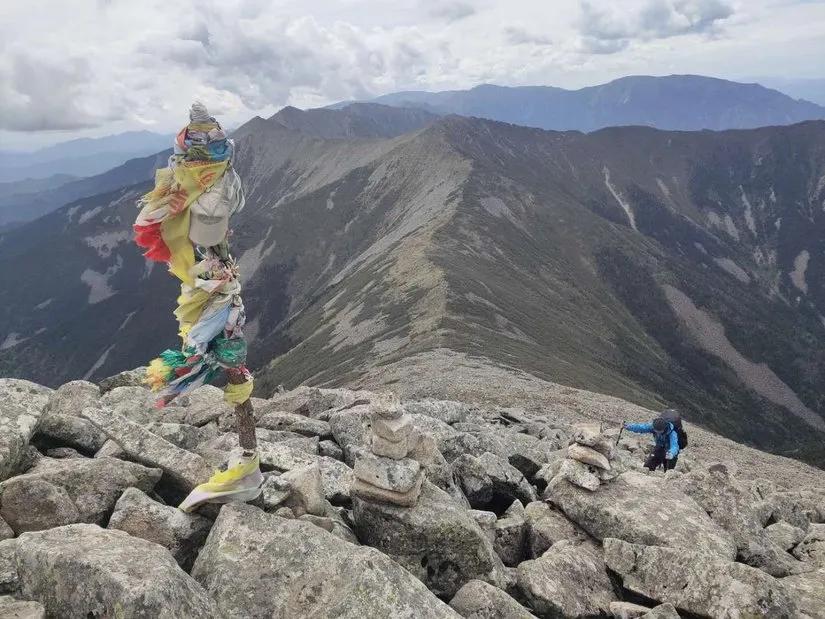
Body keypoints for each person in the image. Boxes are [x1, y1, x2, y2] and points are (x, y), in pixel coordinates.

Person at [133, 101, 262, 511]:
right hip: (212, 274)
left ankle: (248, 465)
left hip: (215, 275)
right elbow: (209, 228)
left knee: (224, 343)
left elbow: (210, 228)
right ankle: (246, 460)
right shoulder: (207, 184)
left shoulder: (200, 184)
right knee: (223, 343)